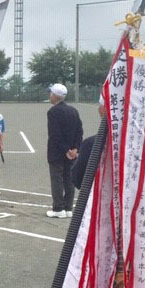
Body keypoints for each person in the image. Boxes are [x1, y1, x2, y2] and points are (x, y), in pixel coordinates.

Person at [46, 83, 83, 218]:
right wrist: (75, 149)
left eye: (51, 93)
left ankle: (58, 208)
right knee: (69, 179)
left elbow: (55, 135)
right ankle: (68, 208)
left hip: (57, 153)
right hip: (72, 153)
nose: (49, 96)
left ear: (55, 96)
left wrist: (65, 150)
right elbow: (79, 131)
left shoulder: (53, 112)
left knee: (57, 179)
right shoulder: (73, 111)